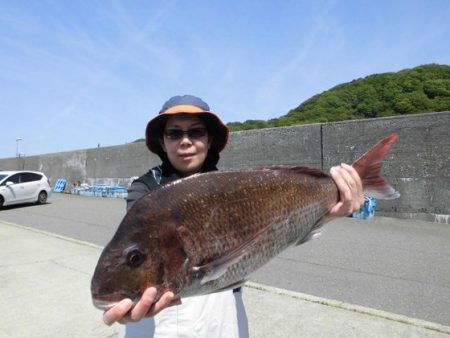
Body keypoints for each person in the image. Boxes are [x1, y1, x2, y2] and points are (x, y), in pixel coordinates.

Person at [103, 95, 364, 337]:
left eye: (196, 132)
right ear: (162, 141)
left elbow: (274, 232)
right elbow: (141, 243)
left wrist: (329, 212)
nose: (185, 141)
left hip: (224, 313)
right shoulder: (145, 189)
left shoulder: (235, 189)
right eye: (174, 133)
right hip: (158, 321)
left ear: (209, 139)